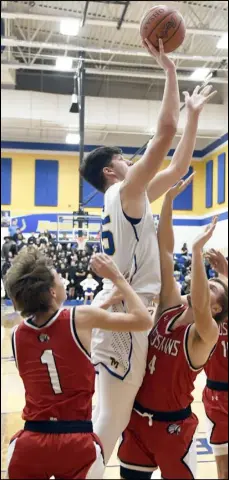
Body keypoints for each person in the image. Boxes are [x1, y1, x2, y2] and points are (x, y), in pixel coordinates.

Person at [80, 48, 217, 464]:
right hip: (125, 318)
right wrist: (170, 72)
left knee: (110, 421)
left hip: (125, 312)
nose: (129, 161)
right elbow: (164, 134)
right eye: (122, 158)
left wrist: (193, 115)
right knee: (108, 427)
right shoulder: (124, 191)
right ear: (110, 170)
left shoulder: (129, 198)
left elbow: (176, 168)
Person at [4, 248, 152, 480]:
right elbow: (143, 320)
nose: (63, 280)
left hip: (31, 441)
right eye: (58, 277)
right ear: (52, 292)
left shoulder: (15, 335)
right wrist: (116, 277)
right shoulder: (81, 318)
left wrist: (102, 307)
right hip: (75, 441)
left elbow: (56, 334)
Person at [117, 177, 228, 480]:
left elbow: (202, 305)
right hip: (138, 421)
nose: (208, 283)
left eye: (214, 285)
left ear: (217, 308)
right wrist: (167, 204)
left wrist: (195, 252)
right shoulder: (168, 310)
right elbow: (165, 256)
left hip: (173, 429)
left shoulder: (205, 335)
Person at [202, 250, 228, 480]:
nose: (208, 286)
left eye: (213, 287)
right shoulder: (200, 321)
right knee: (224, 468)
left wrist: (224, 271)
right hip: (216, 397)